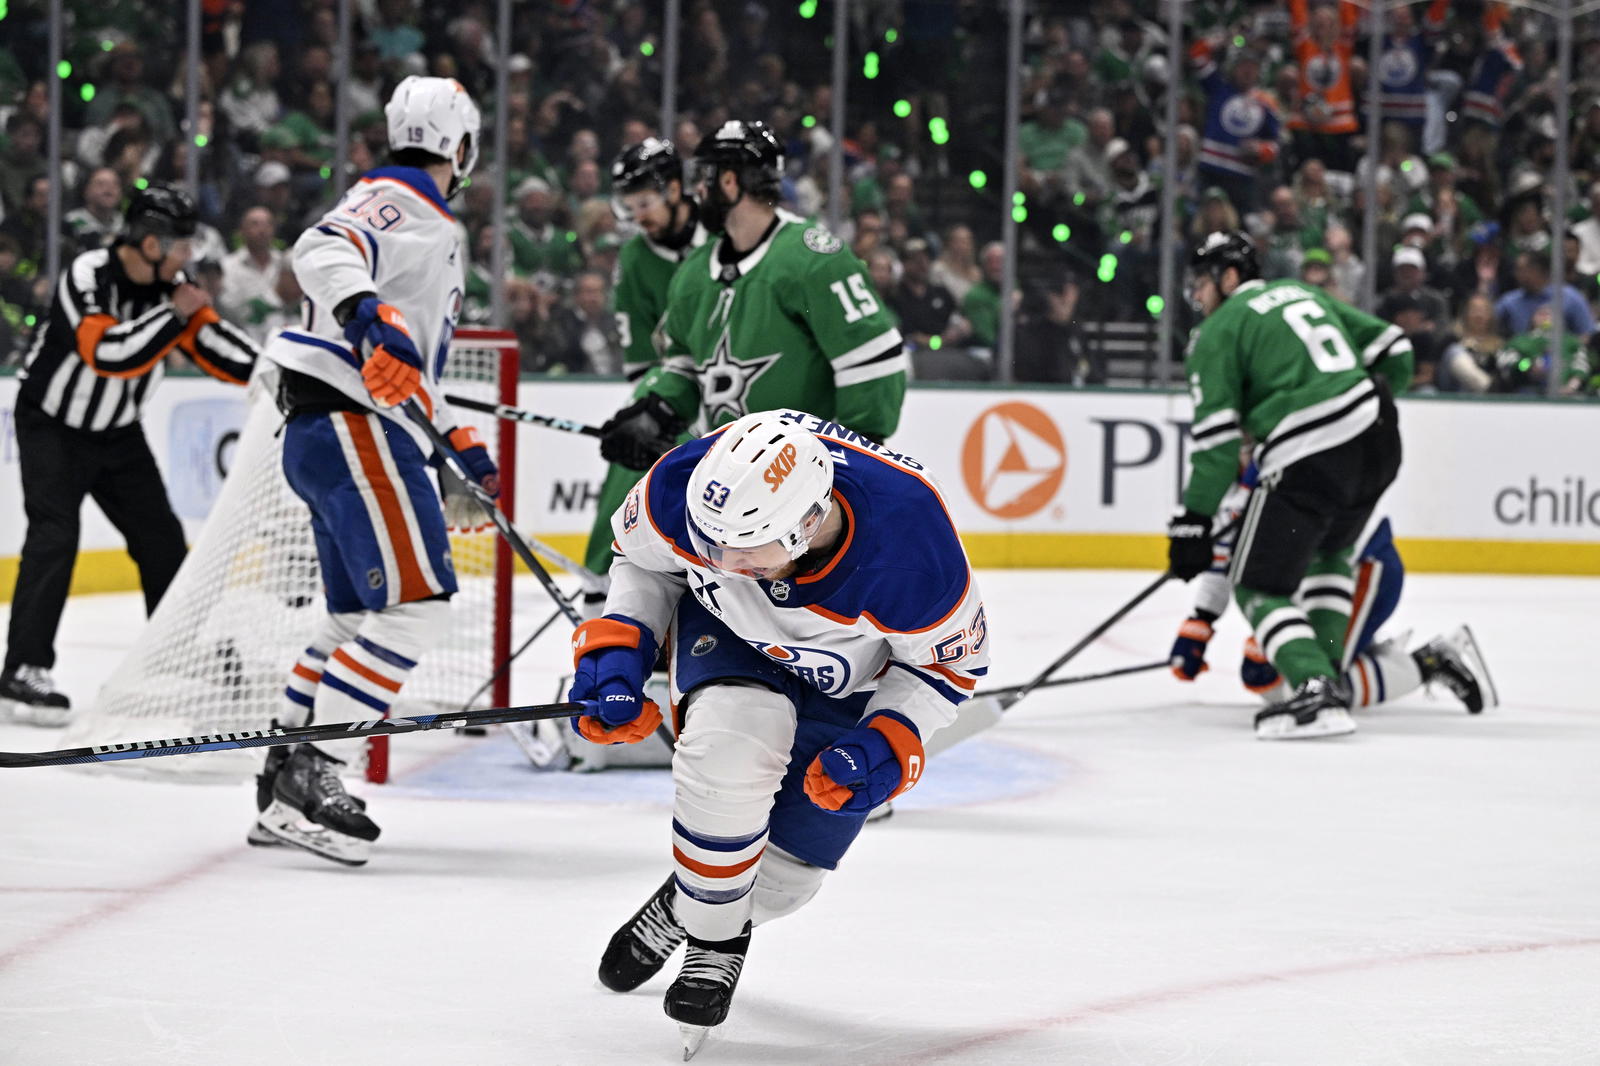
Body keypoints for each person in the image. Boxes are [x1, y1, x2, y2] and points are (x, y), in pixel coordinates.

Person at [571, 410, 989, 1055]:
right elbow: (645, 564)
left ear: (806, 524)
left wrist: (888, 742)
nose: (716, 560)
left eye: (741, 548)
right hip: (732, 636)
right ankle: (714, 941)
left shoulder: (913, 550)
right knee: (728, 759)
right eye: (710, 543)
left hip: (854, 683)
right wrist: (619, 650)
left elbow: (947, 666)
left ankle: (687, 901)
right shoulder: (681, 487)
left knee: (789, 879)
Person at [249, 76, 498, 866]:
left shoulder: (417, 214)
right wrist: (365, 314)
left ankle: (281, 781)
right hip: (355, 429)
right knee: (419, 605)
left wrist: (458, 438)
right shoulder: (402, 201)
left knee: (354, 618)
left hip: (333, 431)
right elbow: (321, 247)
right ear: (462, 145)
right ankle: (319, 771)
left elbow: (405, 360)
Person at [2, 185, 258, 724]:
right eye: (181, 244)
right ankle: (23, 670)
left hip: (118, 433)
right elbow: (107, 353)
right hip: (51, 426)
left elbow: (216, 346)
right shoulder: (88, 275)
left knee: (161, 539)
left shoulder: (175, 289)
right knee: (54, 536)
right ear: (148, 243)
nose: (188, 256)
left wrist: (278, 370)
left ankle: (180, 651)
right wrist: (173, 315)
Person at [1168, 231, 1412, 739]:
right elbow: (1397, 349)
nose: (1197, 294)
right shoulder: (1306, 293)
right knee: (1329, 557)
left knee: (1257, 584)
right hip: (1379, 436)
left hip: (1312, 452)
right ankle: (1326, 685)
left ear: (1229, 276)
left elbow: (1215, 447)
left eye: (1202, 281)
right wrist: (1359, 404)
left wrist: (1193, 521)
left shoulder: (1219, 331)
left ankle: (1313, 690)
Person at [595, 120, 906, 504]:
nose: (698, 192)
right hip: (724, 481)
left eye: (704, 181)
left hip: (800, 482)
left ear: (729, 182)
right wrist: (656, 409)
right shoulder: (694, 273)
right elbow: (684, 364)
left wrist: (854, 460)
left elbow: (874, 360)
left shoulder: (812, 259)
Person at [1169, 464, 1496, 718]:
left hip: (1359, 569)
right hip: (1311, 583)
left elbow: (1306, 546)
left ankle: (1430, 661)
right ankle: (1366, 653)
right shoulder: (1218, 489)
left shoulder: (1284, 461)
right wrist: (1201, 622)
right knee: (1263, 675)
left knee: (1322, 685)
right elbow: (1225, 557)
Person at [580, 137, 707, 582]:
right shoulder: (634, 259)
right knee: (632, 453)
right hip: (677, 388)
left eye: (646, 202)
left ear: (675, 189)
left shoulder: (724, 234)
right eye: (629, 206)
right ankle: (602, 580)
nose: (638, 216)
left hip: (736, 385)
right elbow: (642, 368)